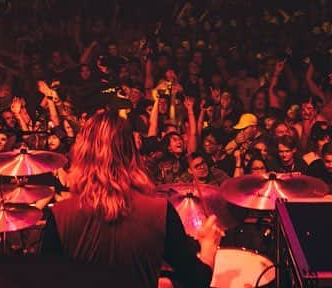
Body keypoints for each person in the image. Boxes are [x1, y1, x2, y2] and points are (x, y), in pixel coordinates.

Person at [41, 110, 221, 288]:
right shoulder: (159, 211)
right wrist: (208, 246)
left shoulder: (60, 215)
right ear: (131, 154)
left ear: (81, 155)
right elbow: (198, 280)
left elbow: (48, 281)